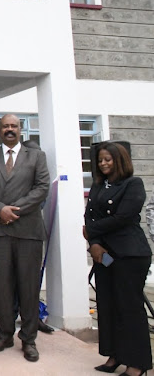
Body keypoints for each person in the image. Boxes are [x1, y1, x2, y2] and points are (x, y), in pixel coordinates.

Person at [0, 114, 49, 362]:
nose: (9, 130)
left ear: (20, 130)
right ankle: (5, 333)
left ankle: (29, 339)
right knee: (0, 286)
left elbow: (42, 187)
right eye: (5, 126)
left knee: (28, 286)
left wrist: (13, 209)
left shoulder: (36, 156)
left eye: (13, 126)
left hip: (27, 230)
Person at [84, 142, 151, 376]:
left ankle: (137, 364)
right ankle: (115, 356)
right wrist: (94, 244)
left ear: (119, 160)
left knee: (129, 308)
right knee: (108, 307)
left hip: (129, 254)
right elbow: (88, 216)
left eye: (108, 160)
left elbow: (123, 218)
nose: (103, 163)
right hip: (104, 255)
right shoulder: (99, 185)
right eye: (100, 160)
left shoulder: (133, 184)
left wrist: (90, 232)